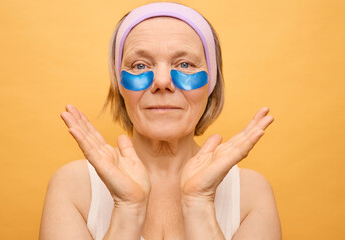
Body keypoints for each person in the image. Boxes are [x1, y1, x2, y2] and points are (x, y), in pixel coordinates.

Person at [39, 2, 281, 240]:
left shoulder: (251, 194)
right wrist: (127, 210)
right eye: (140, 65)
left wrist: (199, 205)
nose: (162, 81)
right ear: (120, 86)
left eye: (185, 64)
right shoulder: (73, 187)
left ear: (211, 82)